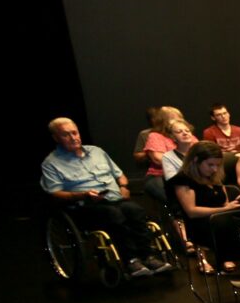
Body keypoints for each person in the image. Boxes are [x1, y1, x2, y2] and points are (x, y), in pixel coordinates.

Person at [41, 117, 170, 277]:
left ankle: (148, 256)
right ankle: (130, 260)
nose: (73, 137)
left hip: (116, 199)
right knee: (114, 215)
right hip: (86, 206)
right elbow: (54, 193)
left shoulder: (97, 152)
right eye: (66, 135)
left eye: (74, 132)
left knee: (135, 210)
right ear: (56, 138)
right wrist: (81, 194)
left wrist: (123, 186)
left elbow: (120, 175)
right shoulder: (51, 163)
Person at [168, 140, 240, 254]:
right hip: (198, 224)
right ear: (196, 160)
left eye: (217, 165)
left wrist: (235, 204)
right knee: (239, 227)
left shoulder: (214, 177)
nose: (214, 169)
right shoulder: (182, 180)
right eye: (210, 165)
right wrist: (225, 209)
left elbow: (224, 203)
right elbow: (192, 211)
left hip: (219, 218)